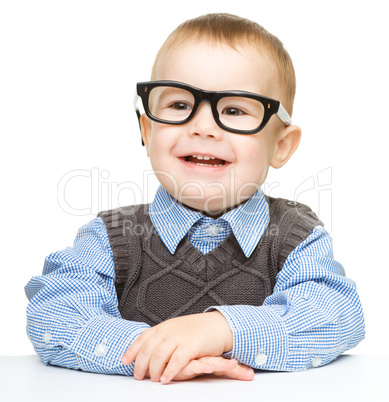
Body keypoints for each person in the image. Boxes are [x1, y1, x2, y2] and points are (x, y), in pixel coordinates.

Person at [25, 13, 365, 384]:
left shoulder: (294, 236)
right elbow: (53, 313)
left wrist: (221, 330)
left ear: (281, 146)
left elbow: (336, 315)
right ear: (147, 129)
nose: (203, 127)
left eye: (235, 110)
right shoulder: (111, 237)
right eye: (179, 106)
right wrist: (157, 351)